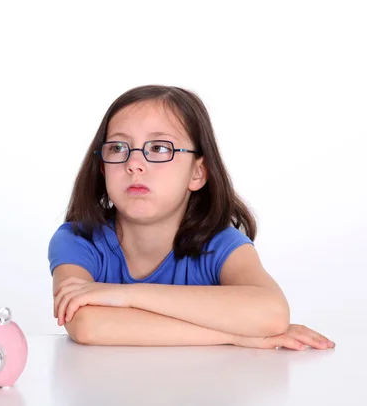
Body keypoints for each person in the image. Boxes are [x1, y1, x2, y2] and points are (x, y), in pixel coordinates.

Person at [48, 85, 335, 351]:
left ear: (197, 173)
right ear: (102, 167)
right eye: (118, 148)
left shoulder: (221, 244)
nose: (134, 163)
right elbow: (87, 325)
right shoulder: (77, 240)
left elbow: (272, 313)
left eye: (159, 148)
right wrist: (236, 335)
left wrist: (124, 295)